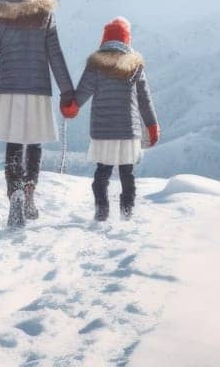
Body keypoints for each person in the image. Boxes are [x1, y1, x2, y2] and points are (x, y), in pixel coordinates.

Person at [0, 0, 76, 229]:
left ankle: (15, 194)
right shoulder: (45, 12)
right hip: (39, 89)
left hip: (9, 89)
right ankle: (30, 191)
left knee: (14, 144)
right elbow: (56, 55)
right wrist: (67, 91)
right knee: (35, 143)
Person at [65, 17, 161, 222]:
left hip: (103, 129)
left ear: (104, 39)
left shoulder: (96, 65)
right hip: (128, 129)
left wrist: (72, 108)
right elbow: (145, 100)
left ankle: (102, 211)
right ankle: (127, 213)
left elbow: (83, 92)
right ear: (127, 40)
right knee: (127, 172)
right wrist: (152, 125)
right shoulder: (135, 66)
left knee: (102, 171)